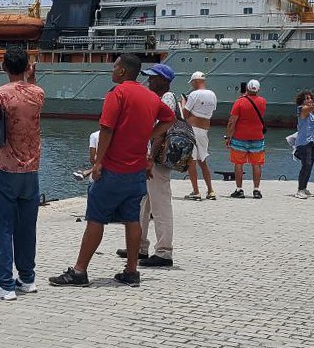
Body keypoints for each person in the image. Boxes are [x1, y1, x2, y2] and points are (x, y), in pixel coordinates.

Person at [49, 54, 175, 287]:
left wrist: (97, 163)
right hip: (136, 171)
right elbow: (170, 119)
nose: (112, 69)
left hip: (113, 169)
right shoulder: (151, 97)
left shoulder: (116, 94)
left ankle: (79, 272)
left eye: (115, 66)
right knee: (132, 219)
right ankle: (131, 271)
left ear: (123, 71)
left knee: (96, 219)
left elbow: (106, 130)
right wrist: (149, 134)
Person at [0, 49, 44, 300]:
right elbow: (30, 96)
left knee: (1, 228)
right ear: (27, 66)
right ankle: (27, 279)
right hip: (31, 171)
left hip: (5, 169)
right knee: (26, 228)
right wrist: (31, 78)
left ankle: (5, 285)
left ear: (4, 67)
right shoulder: (38, 93)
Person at [114, 63, 177, 267]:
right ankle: (139, 246)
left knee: (160, 206)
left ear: (164, 81)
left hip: (157, 160)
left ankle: (164, 251)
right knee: (143, 204)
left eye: (153, 77)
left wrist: (150, 157)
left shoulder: (166, 98)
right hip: (150, 158)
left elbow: (162, 131)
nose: (149, 80)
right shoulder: (158, 98)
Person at [225, 79, 267, 199]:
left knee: (239, 164)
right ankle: (256, 190)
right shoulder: (263, 102)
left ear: (247, 88)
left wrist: (228, 136)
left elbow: (232, 121)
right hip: (257, 137)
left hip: (239, 137)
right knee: (257, 164)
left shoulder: (239, 102)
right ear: (258, 89)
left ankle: (239, 190)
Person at [183, 71, 217, 200]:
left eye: (192, 82)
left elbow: (185, 113)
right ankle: (210, 190)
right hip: (204, 131)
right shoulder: (212, 95)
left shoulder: (194, 94)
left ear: (196, 81)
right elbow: (210, 112)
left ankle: (196, 191)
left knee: (191, 161)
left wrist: (182, 103)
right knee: (202, 160)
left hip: (192, 129)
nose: (191, 84)